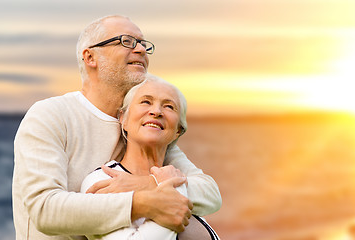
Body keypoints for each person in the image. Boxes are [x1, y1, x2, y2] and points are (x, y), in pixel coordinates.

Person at [12, 15, 221, 240]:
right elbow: (45, 209)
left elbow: (209, 193)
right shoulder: (51, 115)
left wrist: (146, 184)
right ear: (90, 57)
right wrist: (143, 202)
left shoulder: (141, 128)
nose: (141, 49)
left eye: (143, 43)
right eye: (126, 41)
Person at [80, 75, 220, 240]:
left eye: (169, 106)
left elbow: (213, 197)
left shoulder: (176, 176)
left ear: (178, 131)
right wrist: (171, 188)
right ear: (123, 118)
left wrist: (159, 184)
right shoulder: (103, 180)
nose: (156, 111)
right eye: (146, 102)